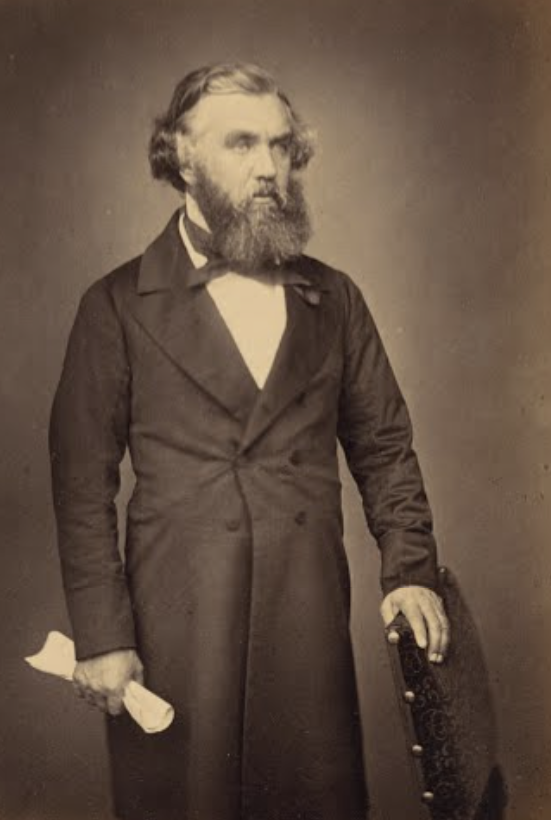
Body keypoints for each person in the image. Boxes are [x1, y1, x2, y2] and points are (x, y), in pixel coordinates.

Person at [49, 62, 450, 820]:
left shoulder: (335, 299)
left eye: (280, 145)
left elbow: (385, 447)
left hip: (306, 612)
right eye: (242, 144)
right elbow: (80, 486)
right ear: (183, 156)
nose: (269, 166)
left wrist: (409, 571)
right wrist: (101, 635)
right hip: (175, 625)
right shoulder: (115, 304)